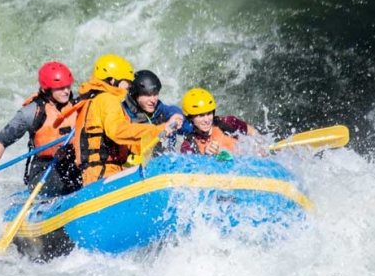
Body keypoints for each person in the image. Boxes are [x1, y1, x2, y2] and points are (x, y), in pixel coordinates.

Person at [72, 54, 184, 186]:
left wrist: (154, 145)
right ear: (113, 80)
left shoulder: (94, 99)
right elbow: (118, 131)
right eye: (127, 81)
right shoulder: (107, 99)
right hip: (104, 175)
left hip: (97, 174)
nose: (129, 86)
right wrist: (157, 129)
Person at [0, 61, 82, 196]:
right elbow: (1, 140)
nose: (66, 91)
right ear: (47, 89)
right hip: (45, 169)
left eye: (68, 86)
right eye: (60, 88)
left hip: (74, 162)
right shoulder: (31, 112)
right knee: (65, 181)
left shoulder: (79, 104)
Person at [122, 70, 192, 155]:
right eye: (147, 95)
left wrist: (177, 116)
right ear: (135, 95)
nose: (153, 100)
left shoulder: (159, 109)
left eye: (155, 94)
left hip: (164, 161)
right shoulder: (122, 114)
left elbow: (173, 111)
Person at [179, 87, 258, 156]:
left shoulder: (229, 122)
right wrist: (204, 155)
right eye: (201, 115)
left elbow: (256, 136)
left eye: (209, 113)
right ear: (190, 118)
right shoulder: (188, 145)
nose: (206, 120)